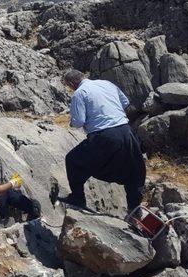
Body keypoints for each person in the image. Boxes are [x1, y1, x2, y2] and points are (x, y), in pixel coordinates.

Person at [59, 69, 146, 211]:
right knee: (133, 169)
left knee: (73, 161)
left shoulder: (79, 93)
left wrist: (72, 122)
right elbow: (125, 102)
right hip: (126, 131)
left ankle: (78, 198)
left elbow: (78, 122)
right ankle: (135, 210)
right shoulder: (107, 83)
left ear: (71, 84)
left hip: (104, 135)